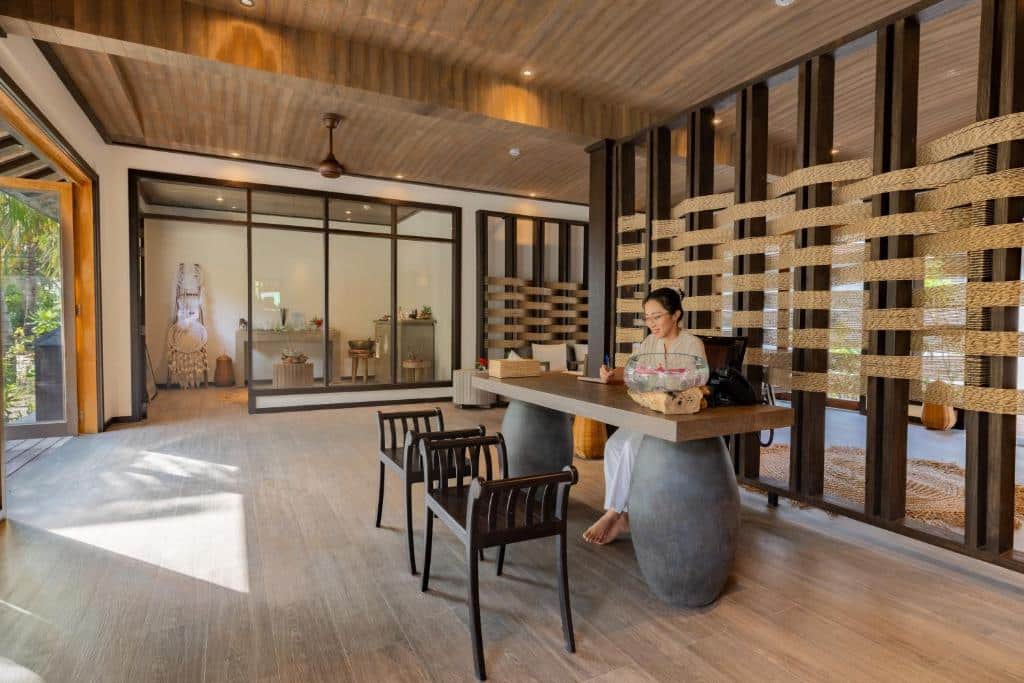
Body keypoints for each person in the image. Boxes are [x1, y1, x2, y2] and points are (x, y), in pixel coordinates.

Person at [582, 287, 707, 545]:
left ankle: (613, 513)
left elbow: (699, 378)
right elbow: (633, 370)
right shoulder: (650, 342)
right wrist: (612, 374)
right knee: (614, 445)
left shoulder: (692, 344)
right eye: (647, 318)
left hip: (676, 418)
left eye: (657, 317)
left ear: (676, 314)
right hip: (650, 412)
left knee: (630, 447)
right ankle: (623, 516)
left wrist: (657, 377)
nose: (651, 323)